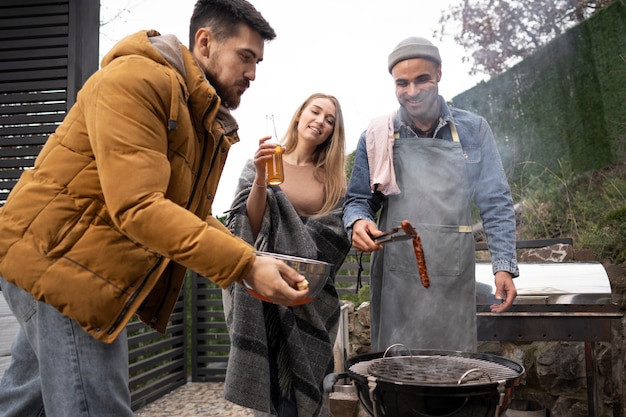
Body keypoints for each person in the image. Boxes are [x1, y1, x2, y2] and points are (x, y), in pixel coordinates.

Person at [0, 1, 310, 416]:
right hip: (63, 264)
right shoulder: (136, 78)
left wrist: (251, 259)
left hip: (77, 263)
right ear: (205, 42)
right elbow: (139, 207)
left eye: (257, 62)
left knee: (23, 404)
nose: (253, 74)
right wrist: (245, 268)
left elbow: (191, 213)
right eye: (246, 57)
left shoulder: (194, 113)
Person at [343, 37, 519, 353]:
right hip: (397, 277)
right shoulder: (377, 135)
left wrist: (502, 265)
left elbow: (495, 202)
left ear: (438, 73)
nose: (412, 91)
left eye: (422, 79)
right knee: (396, 369)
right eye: (402, 83)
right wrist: (357, 222)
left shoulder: (473, 131)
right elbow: (358, 200)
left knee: (454, 370)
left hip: (454, 274)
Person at [222, 93, 351, 417]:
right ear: (299, 115)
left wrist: (295, 248)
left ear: (333, 132)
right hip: (261, 288)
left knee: (304, 392)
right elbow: (244, 229)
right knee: (272, 390)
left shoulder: (333, 180)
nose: (321, 121)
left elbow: (335, 236)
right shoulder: (261, 164)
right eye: (316, 112)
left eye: (330, 120)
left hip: (307, 292)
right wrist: (263, 178)